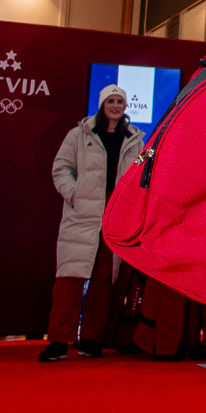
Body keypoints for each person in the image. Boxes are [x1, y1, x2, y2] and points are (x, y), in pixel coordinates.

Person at [37, 85, 144, 363]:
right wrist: (75, 195)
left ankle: (91, 340)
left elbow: (141, 177)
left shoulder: (134, 139)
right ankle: (59, 342)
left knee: (103, 283)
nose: (116, 105)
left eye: (120, 100)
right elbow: (61, 168)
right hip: (82, 213)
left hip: (114, 215)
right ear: (102, 104)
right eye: (111, 100)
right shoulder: (79, 135)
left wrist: (128, 205)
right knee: (69, 282)